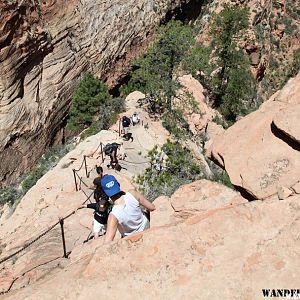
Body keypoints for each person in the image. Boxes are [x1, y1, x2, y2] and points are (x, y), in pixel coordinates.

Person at [101, 175, 155, 243]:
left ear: (105, 193)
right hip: (145, 227)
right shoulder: (132, 193)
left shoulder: (113, 216)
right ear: (118, 184)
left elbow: (107, 242)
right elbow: (152, 207)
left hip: (132, 238)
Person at [79, 166, 111, 239]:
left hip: (99, 207)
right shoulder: (104, 183)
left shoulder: (97, 183)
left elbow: (93, 204)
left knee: (98, 206)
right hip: (104, 205)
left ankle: (96, 240)